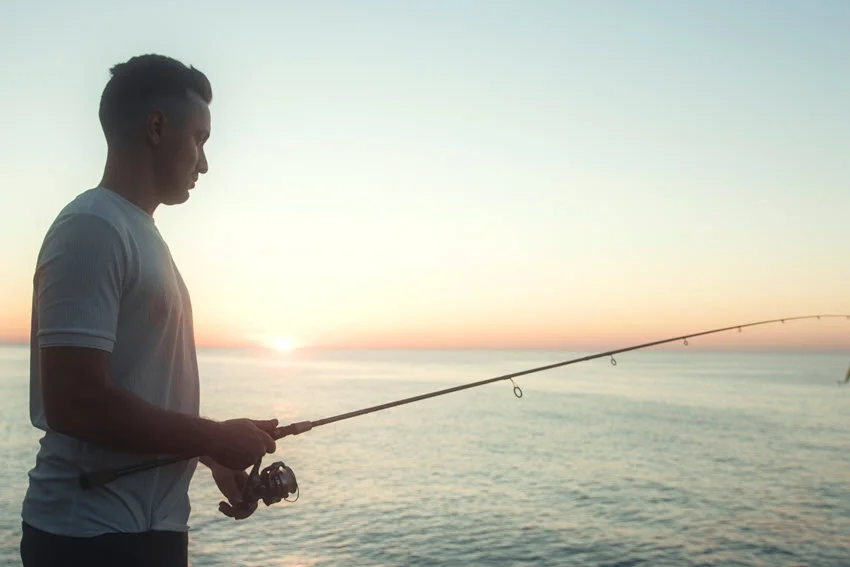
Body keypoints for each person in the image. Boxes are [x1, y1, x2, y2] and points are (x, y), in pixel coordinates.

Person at [20, 54, 278, 567]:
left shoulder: (139, 233)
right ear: (156, 127)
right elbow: (76, 402)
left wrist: (211, 454)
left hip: (145, 533)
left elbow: (137, 390)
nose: (203, 162)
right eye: (199, 139)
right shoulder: (92, 228)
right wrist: (212, 435)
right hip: (90, 539)